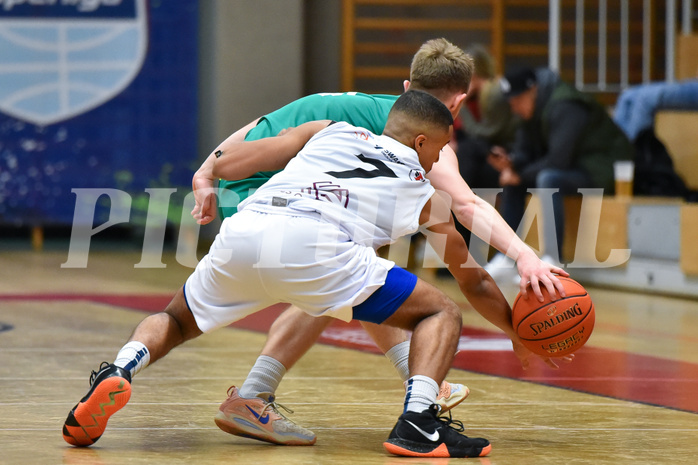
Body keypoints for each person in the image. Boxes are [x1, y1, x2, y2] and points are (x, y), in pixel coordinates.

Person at [63, 90, 497, 458]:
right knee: (440, 312)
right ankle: (418, 423)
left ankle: (120, 369)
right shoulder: (423, 190)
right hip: (316, 248)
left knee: (175, 320)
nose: (439, 158)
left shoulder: (330, 130)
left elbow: (238, 161)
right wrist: (518, 328)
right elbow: (471, 278)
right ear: (421, 142)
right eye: (439, 150)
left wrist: (207, 177)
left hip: (247, 232)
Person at [190, 39, 568, 445]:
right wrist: (526, 258)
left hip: (245, 176)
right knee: (338, 274)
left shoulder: (360, 106)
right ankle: (260, 394)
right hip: (269, 194)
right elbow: (467, 204)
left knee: (353, 272)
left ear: (407, 85)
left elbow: (263, 123)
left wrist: (206, 171)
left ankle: (410, 384)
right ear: (458, 102)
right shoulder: (420, 133)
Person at [486, 66, 634, 269]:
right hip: (574, 166)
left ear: (533, 90)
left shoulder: (566, 105)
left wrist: (519, 174)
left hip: (602, 169)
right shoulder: (530, 111)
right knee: (512, 180)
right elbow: (525, 152)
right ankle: (507, 258)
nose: (514, 108)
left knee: (548, 179)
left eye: (517, 101)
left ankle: (553, 258)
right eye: (511, 103)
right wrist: (511, 163)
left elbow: (558, 160)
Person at [452, 44, 520, 267]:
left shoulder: (494, 92)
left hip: (505, 161)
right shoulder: (474, 98)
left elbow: (489, 133)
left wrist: (460, 108)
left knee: (467, 161)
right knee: (464, 168)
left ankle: (464, 251)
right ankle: (464, 253)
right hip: (483, 163)